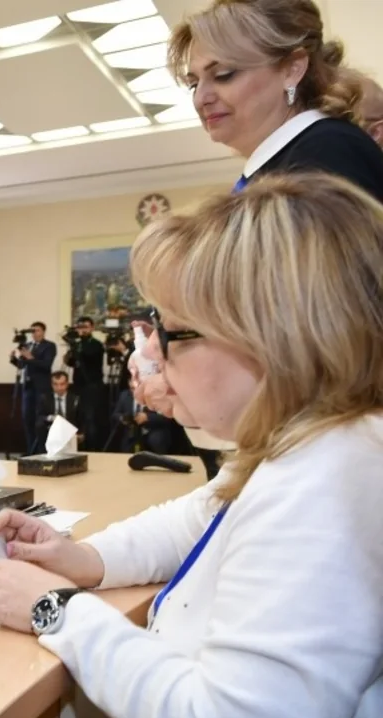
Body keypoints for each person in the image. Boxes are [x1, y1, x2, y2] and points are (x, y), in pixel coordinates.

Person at [0, 174, 383, 718]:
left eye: (173, 335)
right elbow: (198, 518)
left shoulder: (329, 476)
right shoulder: (314, 444)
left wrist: (53, 608)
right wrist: (82, 558)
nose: (160, 362)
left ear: (266, 337)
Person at [135, 0, 383, 480]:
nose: (202, 97)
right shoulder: (278, 166)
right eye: (194, 82)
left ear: (292, 67)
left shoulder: (322, 157)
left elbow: (325, 343)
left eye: (223, 75)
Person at [10, 322, 56, 455]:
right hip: (28, 386)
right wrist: (13, 359)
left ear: (43, 332)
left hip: (41, 387)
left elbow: (46, 365)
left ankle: (41, 451)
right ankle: (31, 450)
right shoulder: (28, 345)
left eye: (37, 330)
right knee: (27, 418)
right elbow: (22, 365)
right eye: (33, 331)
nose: (35, 333)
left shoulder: (49, 346)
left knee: (39, 420)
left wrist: (30, 357)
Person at [62, 317, 104, 449]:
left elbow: (88, 355)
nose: (83, 330)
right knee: (77, 416)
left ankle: (93, 449)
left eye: (85, 327)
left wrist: (75, 345)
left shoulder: (96, 344)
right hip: (77, 384)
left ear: (92, 328)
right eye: (80, 327)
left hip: (92, 385)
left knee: (90, 418)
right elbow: (71, 362)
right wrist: (70, 349)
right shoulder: (78, 344)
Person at [111, 375, 171, 453]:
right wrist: (123, 418)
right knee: (125, 448)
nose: (135, 392)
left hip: (153, 431)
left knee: (157, 440)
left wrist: (147, 417)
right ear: (129, 382)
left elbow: (167, 417)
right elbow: (115, 414)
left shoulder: (156, 395)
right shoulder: (124, 395)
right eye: (132, 388)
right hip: (133, 432)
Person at [34, 371, 80, 454]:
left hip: (69, 428)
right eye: (56, 384)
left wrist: (81, 433)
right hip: (51, 427)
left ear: (67, 384)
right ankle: (44, 454)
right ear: (52, 385)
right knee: (39, 425)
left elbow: (80, 418)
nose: (59, 388)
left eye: (62, 384)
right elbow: (39, 416)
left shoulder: (75, 399)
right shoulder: (45, 398)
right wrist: (51, 418)